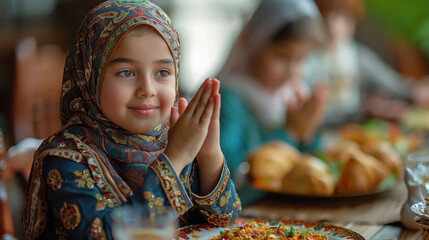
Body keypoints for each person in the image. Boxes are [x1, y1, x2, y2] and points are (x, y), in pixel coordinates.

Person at [22, 1, 241, 239]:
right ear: (89, 76)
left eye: (162, 72)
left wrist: (209, 154)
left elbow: (224, 219)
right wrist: (175, 159)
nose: (147, 90)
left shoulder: (173, 138)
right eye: (126, 72)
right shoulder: (65, 157)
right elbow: (99, 234)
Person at [217, 0, 326, 206]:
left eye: (302, 59)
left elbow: (308, 161)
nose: (293, 70)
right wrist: (291, 133)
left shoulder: (290, 94)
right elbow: (226, 169)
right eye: (282, 56)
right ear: (254, 45)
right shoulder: (229, 99)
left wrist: (309, 132)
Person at [305, 0, 429, 126]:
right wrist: (363, 111)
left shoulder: (357, 56)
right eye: (324, 18)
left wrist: (416, 92)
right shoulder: (303, 61)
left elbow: (394, 85)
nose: (333, 27)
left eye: (343, 17)